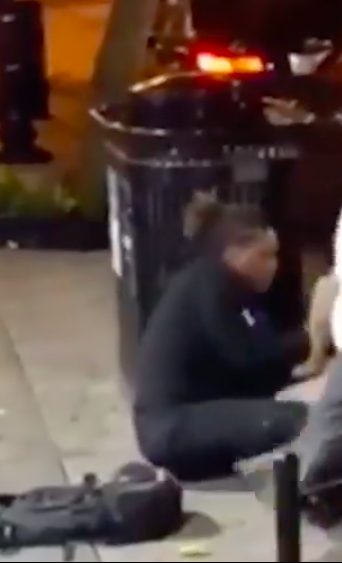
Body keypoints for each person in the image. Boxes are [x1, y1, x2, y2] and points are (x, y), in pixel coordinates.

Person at [133, 197, 310, 481]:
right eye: (264, 256)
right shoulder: (210, 286)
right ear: (233, 254)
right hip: (172, 427)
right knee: (294, 419)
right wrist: (313, 338)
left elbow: (261, 367)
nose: (274, 266)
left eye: (275, 256)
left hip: (190, 417)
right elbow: (246, 357)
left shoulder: (234, 290)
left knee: (299, 406)